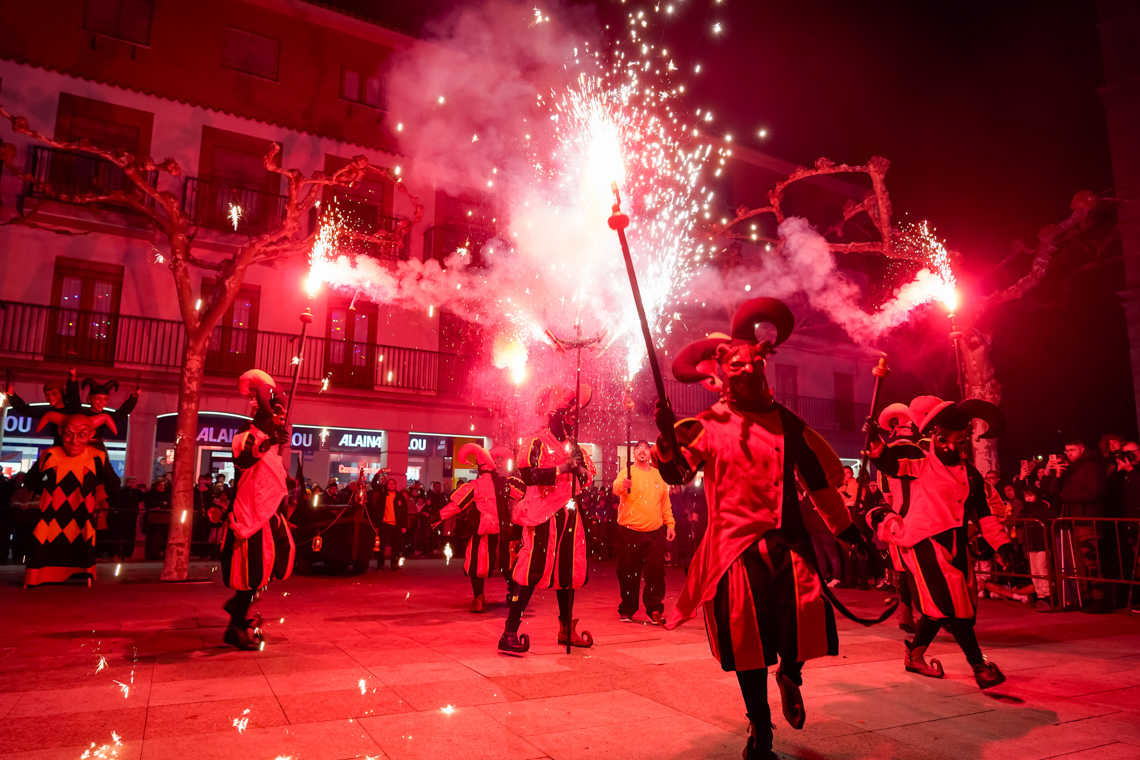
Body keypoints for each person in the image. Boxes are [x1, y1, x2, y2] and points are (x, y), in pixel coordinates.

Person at [653, 298, 871, 760]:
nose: (748, 372)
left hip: (789, 543)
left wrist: (848, 531)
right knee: (746, 641)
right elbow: (676, 475)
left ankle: (791, 674)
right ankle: (760, 728)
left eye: (754, 364)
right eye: (737, 366)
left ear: (764, 365)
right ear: (723, 372)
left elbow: (818, 483)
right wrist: (667, 444)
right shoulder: (707, 426)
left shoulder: (789, 424)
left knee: (805, 618)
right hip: (735, 552)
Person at [867, 396, 1014, 690]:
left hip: (957, 543)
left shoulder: (970, 474)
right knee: (952, 602)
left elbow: (984, 515)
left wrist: (1003, 545)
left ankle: (914, 655)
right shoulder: (918, 463)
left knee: (947, 607)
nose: (950, 448)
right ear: (935, 436)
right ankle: (979, 666)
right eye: (944, 440)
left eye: (959, 442)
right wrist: (873, 441)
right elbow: (888, 463)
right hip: (924, 541)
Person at [498, 384, 596, 654]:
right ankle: (509, 632)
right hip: (542, 516)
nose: (573, 419)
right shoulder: (536, 441)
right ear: (554, 414)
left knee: (567, 573)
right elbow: (528, 476)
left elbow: (587, 478)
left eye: (575, 414)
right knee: (531, 571)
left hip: (569, 517)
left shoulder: (573, 445)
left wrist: (580, 470)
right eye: (568, 413)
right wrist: (562, 468)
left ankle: (566, 630)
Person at [220, 370, 295, 650]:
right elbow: (245, 461)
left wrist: (287, 480)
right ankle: (236, 627)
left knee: (270, 567)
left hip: (268, 515)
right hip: (249, 515)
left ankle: (238, 610)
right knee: (251, 574)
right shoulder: (244, 437)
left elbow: (269, 477)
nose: (281, 420)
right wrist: (269, 442)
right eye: (277, 414)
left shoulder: (271, 446)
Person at [21, 414, 119, 587]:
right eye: (68, 434)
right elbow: (30, 480)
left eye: (81, 435)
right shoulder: (50, 455)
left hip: (77, 517)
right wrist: (49, 493)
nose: (74, 441)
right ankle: (43, 575)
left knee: (70, 540)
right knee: (49, 539)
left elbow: (113, 484)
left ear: (90, 435)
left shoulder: (96, 457)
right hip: (54, 516)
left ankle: (43, 575)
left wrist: (95, 496)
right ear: (60, 433)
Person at [434, 444, 524, 611]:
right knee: (508, 565)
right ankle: (515, 597)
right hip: (504, 531)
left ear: (479, 468)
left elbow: (457, 505)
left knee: (477, 564)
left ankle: (479, 599)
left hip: (482, 530)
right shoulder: (505, 484)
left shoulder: (475, 485)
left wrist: (438, 517)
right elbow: (523, 496)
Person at [1041, 438, 1111, 613]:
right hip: (1072, 520)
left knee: (1092, 560)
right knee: (1079, 563)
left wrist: (1066, 496)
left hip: (1087, 519)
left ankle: (1099, 597)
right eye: (1067, 450)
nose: (1069, 454)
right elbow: (1052, 493)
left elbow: (1094, 492)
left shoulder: (1092, 467)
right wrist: (1057, 474)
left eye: (1072, 450)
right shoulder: (1070, 468)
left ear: (1082, 449)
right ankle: (1085, 596)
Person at [612, 440, 675, 623]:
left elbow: (665, 503)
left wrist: (670, 525)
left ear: (650, 454)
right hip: (629, 532)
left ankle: (654, 609)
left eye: (645, 448)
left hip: (655, 532)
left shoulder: (658, 475)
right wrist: (623, 484)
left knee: (656, 573)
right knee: (628, 572)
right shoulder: (627, 472)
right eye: (638, 448)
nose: (642, 451)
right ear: (633, 454)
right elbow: (616, 488)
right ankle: (627, 609)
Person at [368, 477, 407, 571]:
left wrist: (404, 525)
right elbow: (377, 511)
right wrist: (377, 525)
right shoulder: (382, 497)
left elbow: (404, 512)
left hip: (396, 525)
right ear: (386, 486)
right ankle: (380, 565)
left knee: (396, 546)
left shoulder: (400, 497)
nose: (391, 485)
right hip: (384, 524)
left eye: (393, 483)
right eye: (389, 484)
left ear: (395, 485)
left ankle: (394, 564)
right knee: (382, 546)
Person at [110, 476, 144, 560]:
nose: (132, 484)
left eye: (134, 482)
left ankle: (127, 554)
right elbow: (115, 499)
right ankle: (116, 553)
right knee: (118, 535)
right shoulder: (121, 491)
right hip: (120, 515)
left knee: (130, 535)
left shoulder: (138, 492)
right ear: (126, 483)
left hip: (132, 516)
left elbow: (144, 498)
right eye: (130, 482)